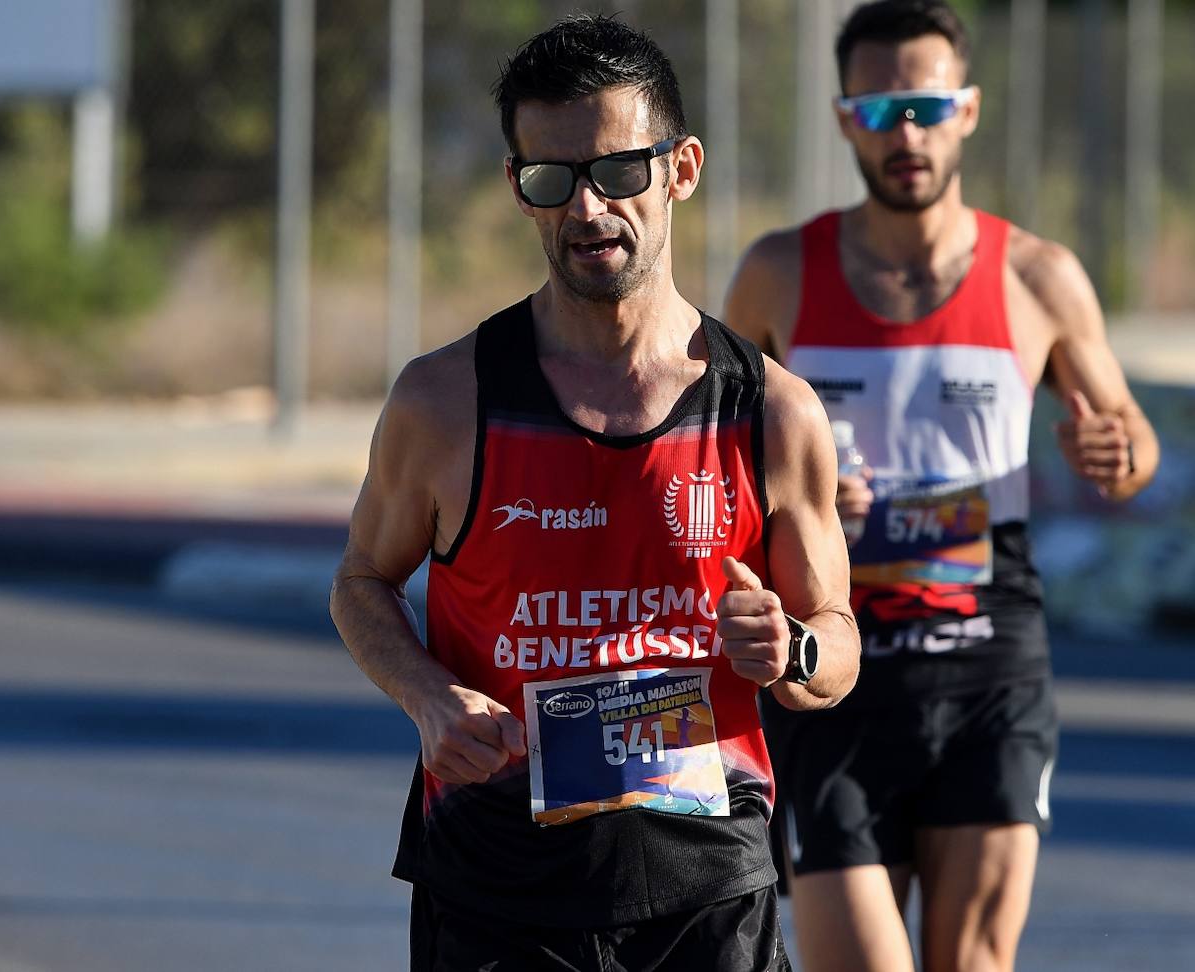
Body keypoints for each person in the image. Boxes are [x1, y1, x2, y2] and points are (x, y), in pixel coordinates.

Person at [331, 14, 860, 971]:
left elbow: (837, 643)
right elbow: (361, 580)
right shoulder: (447, 400)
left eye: (619, 172)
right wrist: (428, 698)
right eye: (552, 179)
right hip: (495, 877)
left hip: (708, 883)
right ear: (518, 190)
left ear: (680, 169)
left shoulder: (769, 412)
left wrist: (794, 647)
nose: (588, 210)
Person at [723, 2, 1160, 971]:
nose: (905, 134)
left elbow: (1130, 443)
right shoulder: (779, 272)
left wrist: (1113, 454)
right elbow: (709, 453)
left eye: (924, 106)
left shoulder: (1041, 277)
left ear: (966, 109)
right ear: (844, 120)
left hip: (987, 661)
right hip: (830, 664)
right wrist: (789, 501)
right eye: (878, 110)